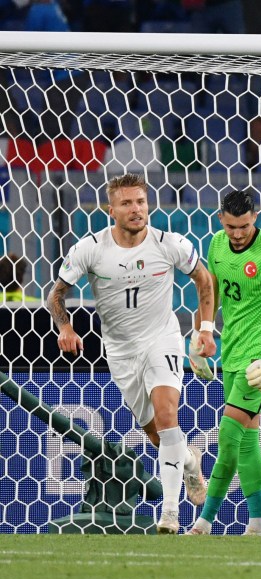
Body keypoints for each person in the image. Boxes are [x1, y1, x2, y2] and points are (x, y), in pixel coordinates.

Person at [47, 173, 215, 534]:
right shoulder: (90, 249)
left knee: (168, 414)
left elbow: (204, 278)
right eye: (126, 203)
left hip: (163, 339)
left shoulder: (169, 243)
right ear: (112, 210)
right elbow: (56, 295)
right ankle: (188, 462)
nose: (136, 209)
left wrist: (203, 330)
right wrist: (65, 327)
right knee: (157, 434)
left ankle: (170, 514)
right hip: (121, 352)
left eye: (140, 201)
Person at [187, 189, 261, 536]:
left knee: (228, 434)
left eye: (243, 226)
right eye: (230, 226)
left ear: (255, 216)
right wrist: (201, 336)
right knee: (247, 440)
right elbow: (212, 294)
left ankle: (204, 521)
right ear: (220, 219)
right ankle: (258, 523)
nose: (237, 234)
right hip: (232, 353)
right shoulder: (216, 245)